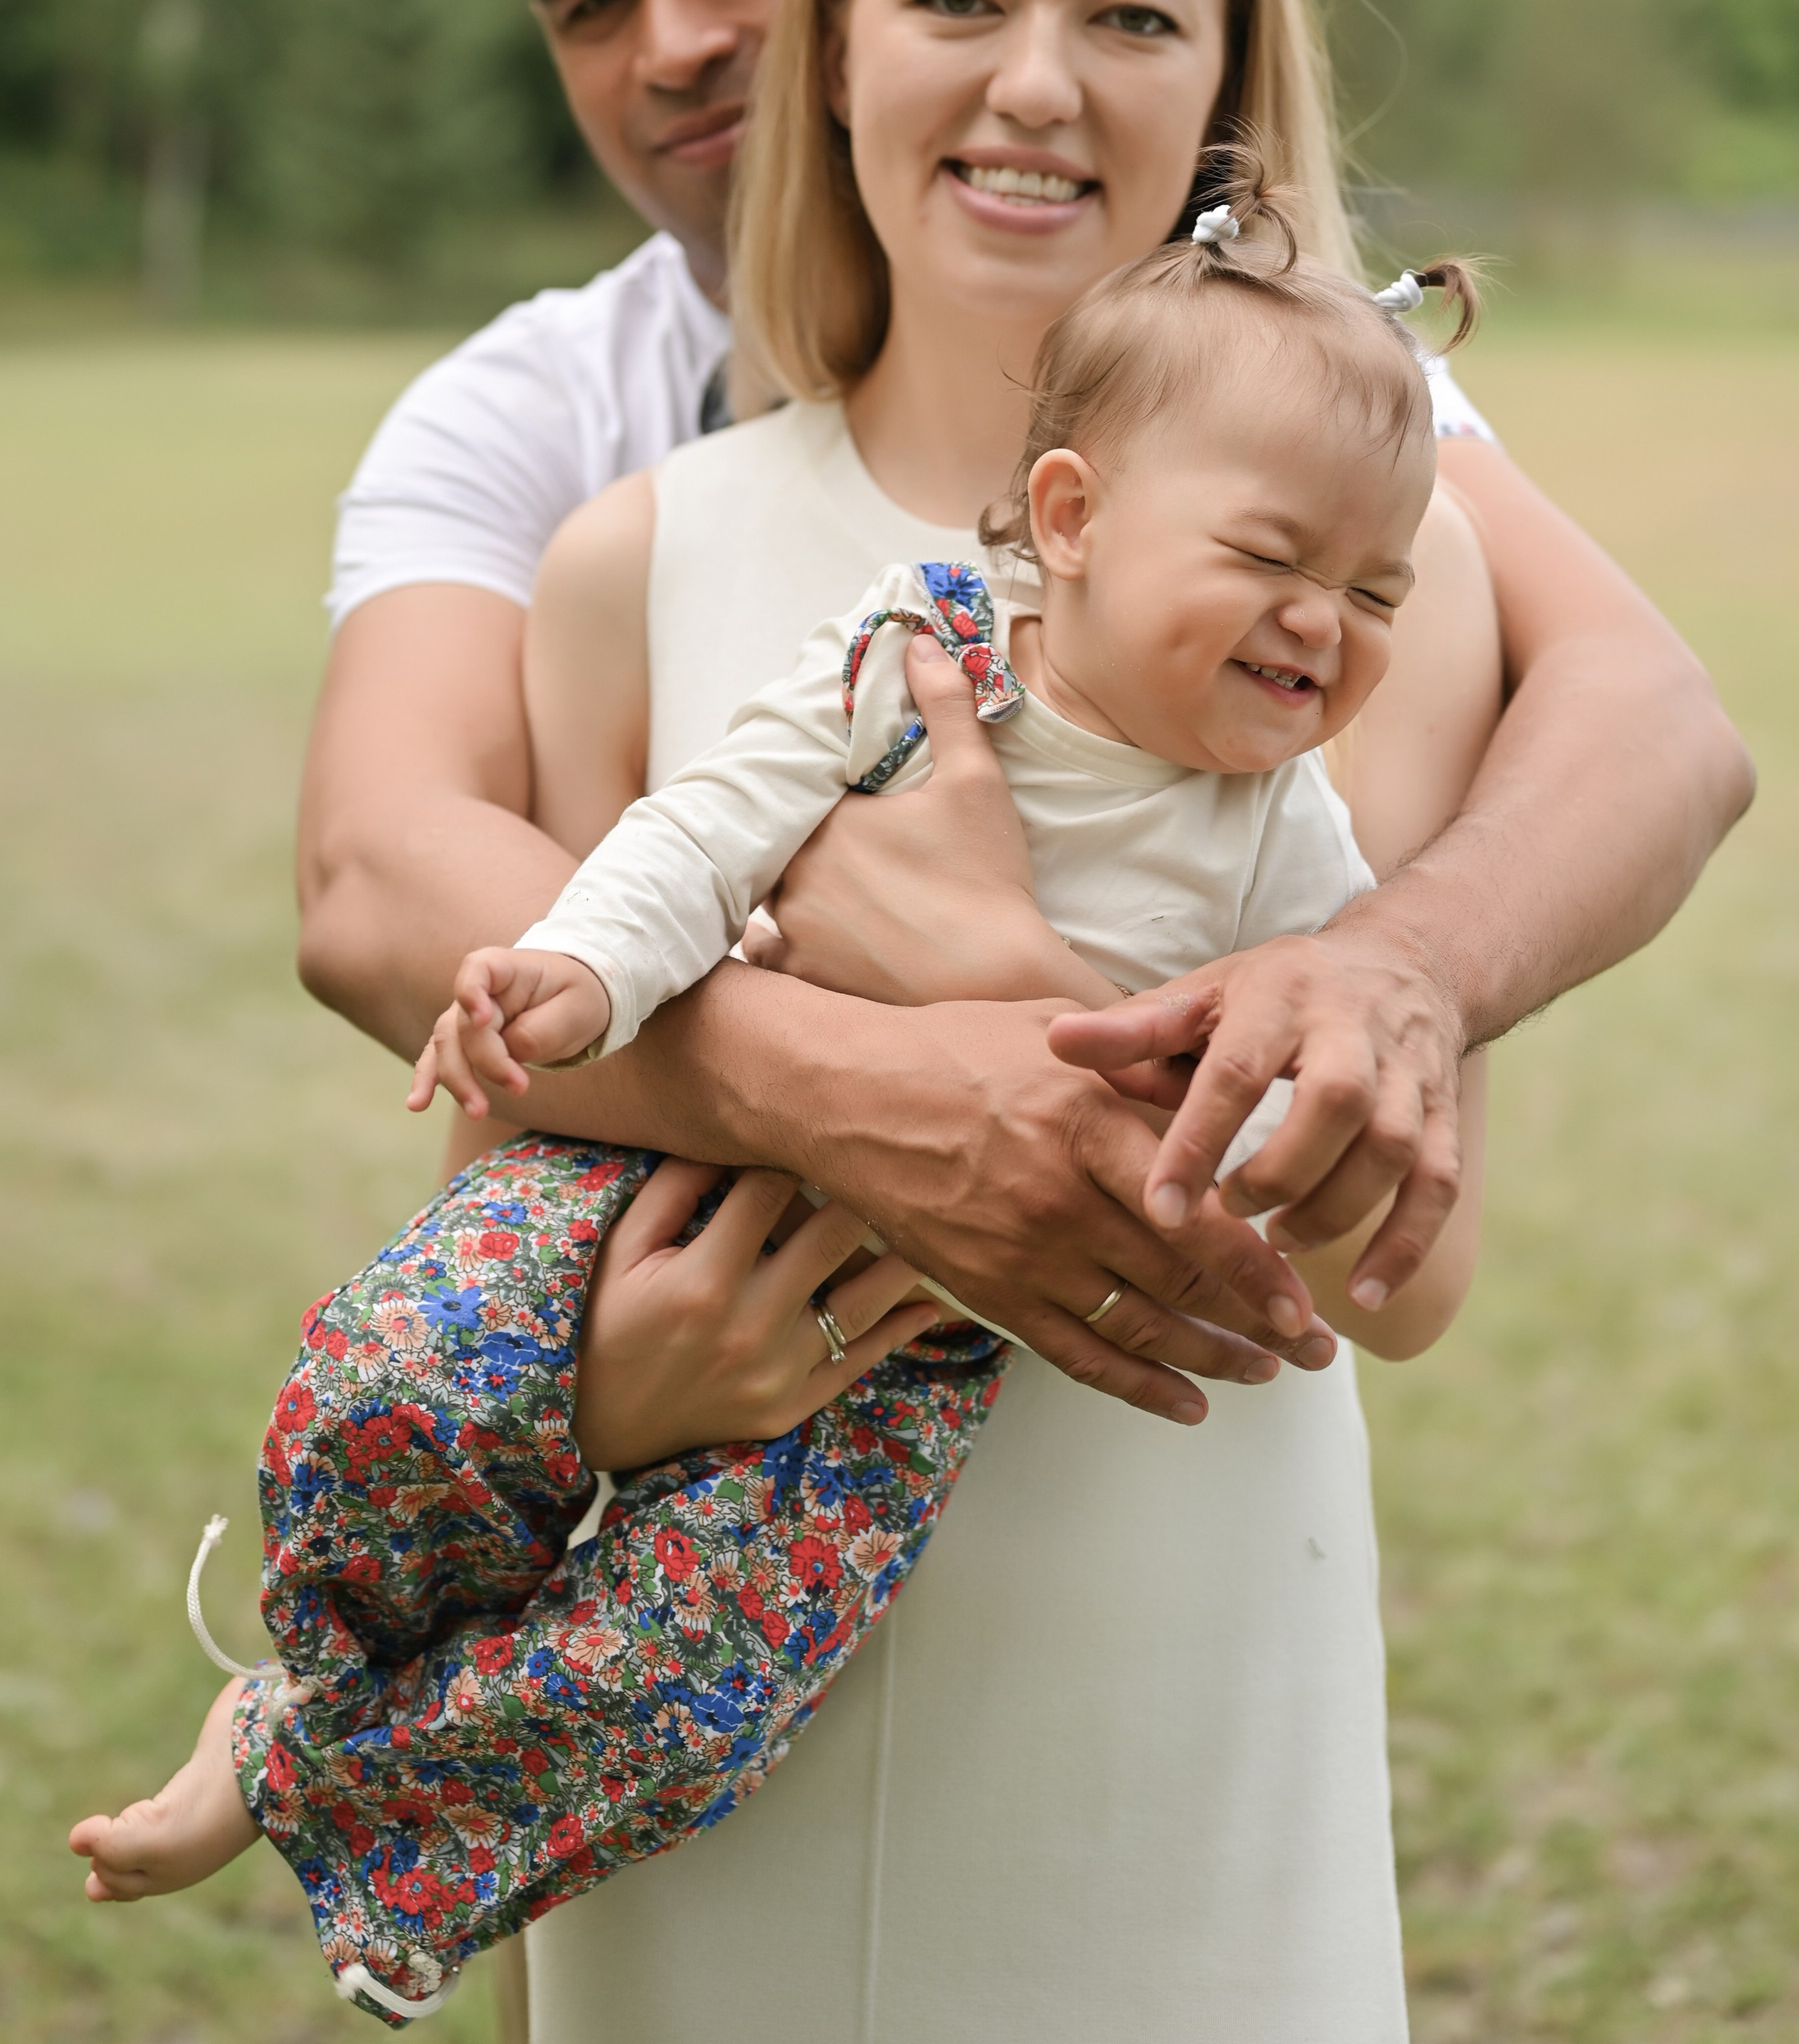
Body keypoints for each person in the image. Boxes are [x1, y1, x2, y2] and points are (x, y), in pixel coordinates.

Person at [70, 184, 1489, 2023]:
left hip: (916, 1351)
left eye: (1378, 590)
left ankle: (303, 1767)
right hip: (652, 1177)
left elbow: (1274, 1129)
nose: (1329, 624)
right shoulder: (926, 649)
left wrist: (1073, 1008)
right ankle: (325, 1652)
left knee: (675, 1683)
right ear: (1073, 517)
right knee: (395, 1369)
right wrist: (571, 973)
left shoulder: (1283, 838)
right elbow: (709, 820)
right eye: (1275, 558)